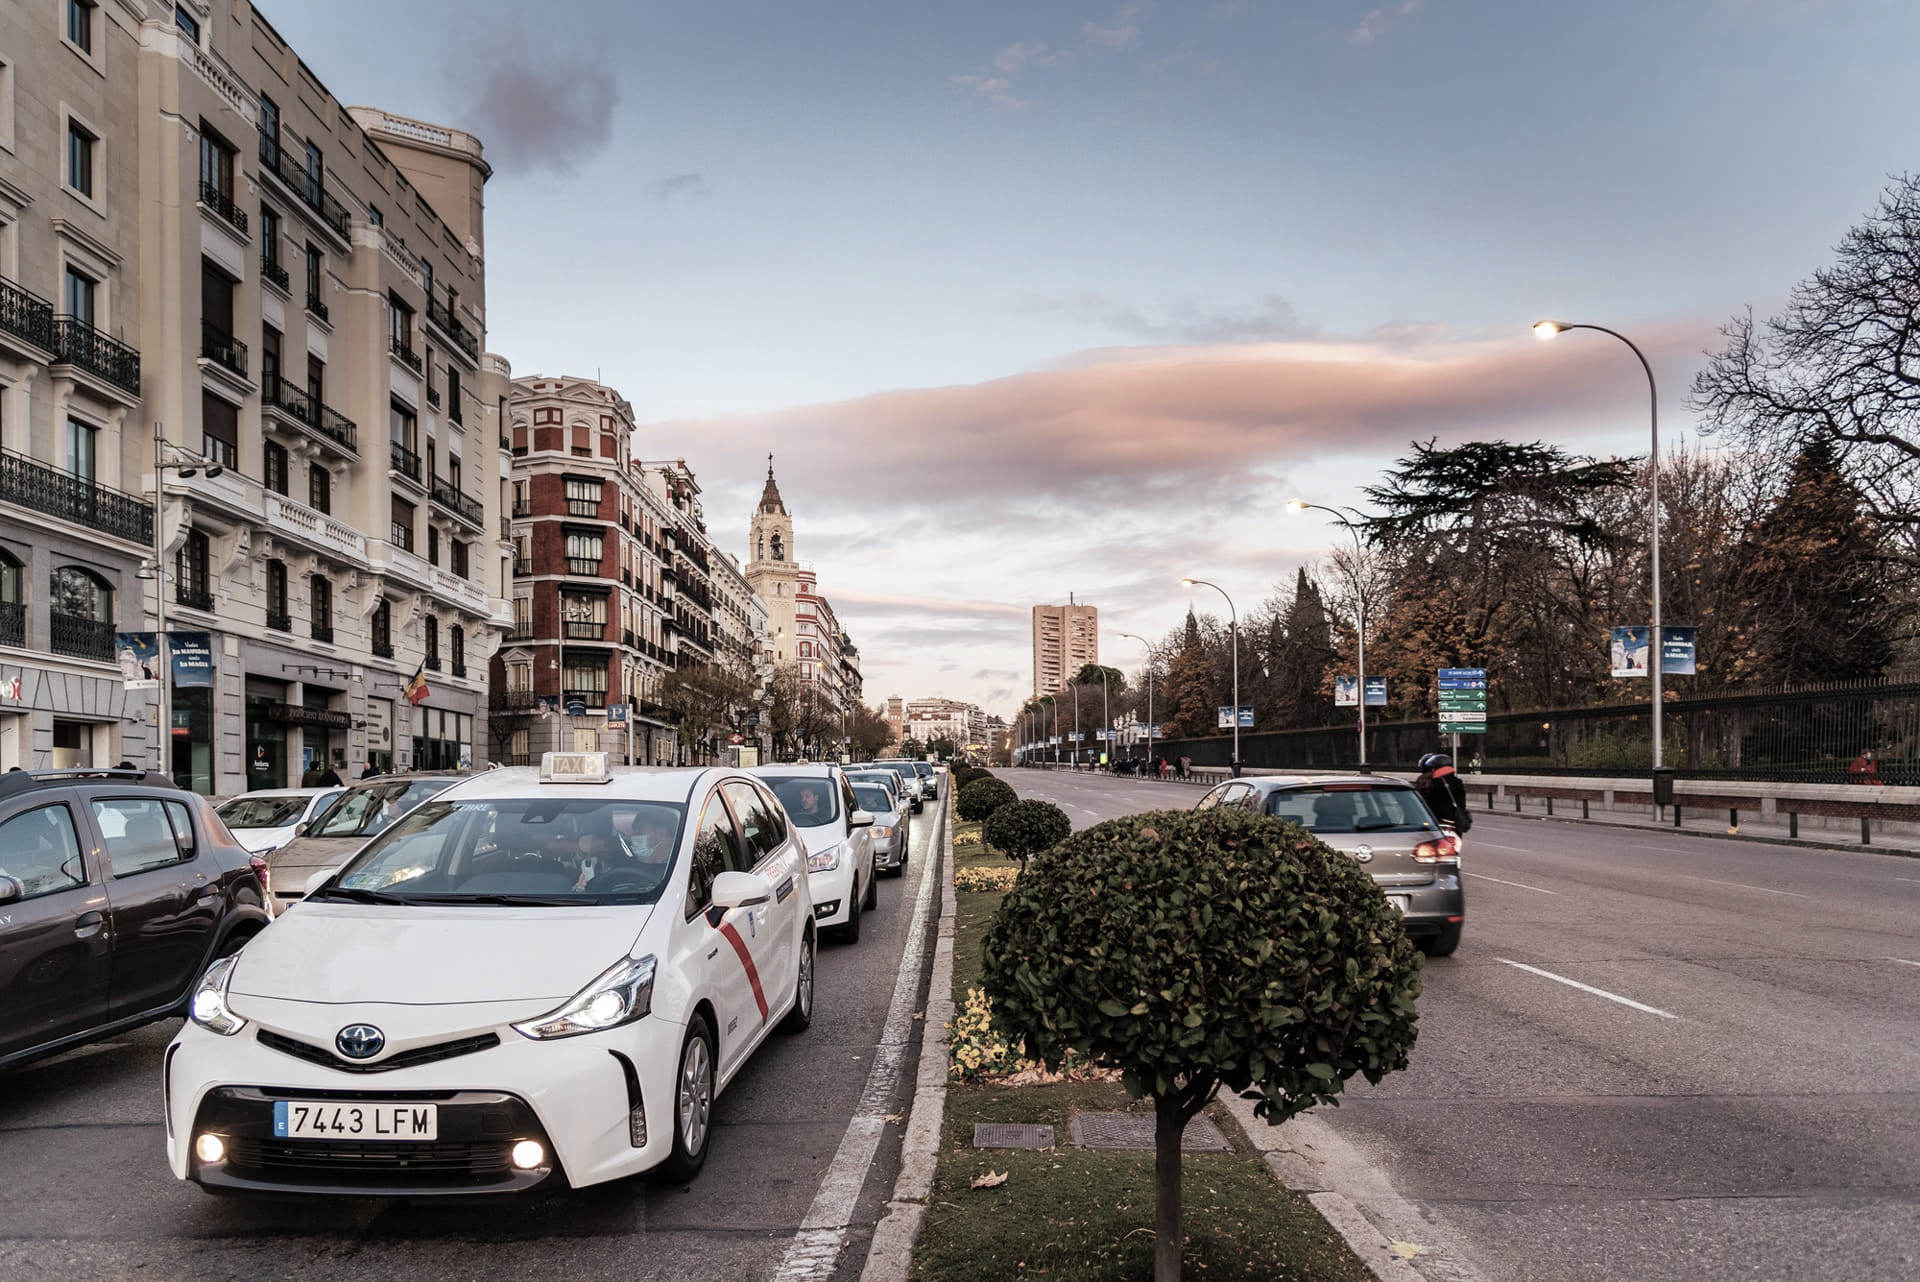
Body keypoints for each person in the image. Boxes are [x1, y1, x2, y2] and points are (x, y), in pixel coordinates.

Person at [1415, 752, 1472, 834]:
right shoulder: (1458, 782)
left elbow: (1431, 802)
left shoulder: (1436, 782)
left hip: (1441, 820)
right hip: (1456, 821)